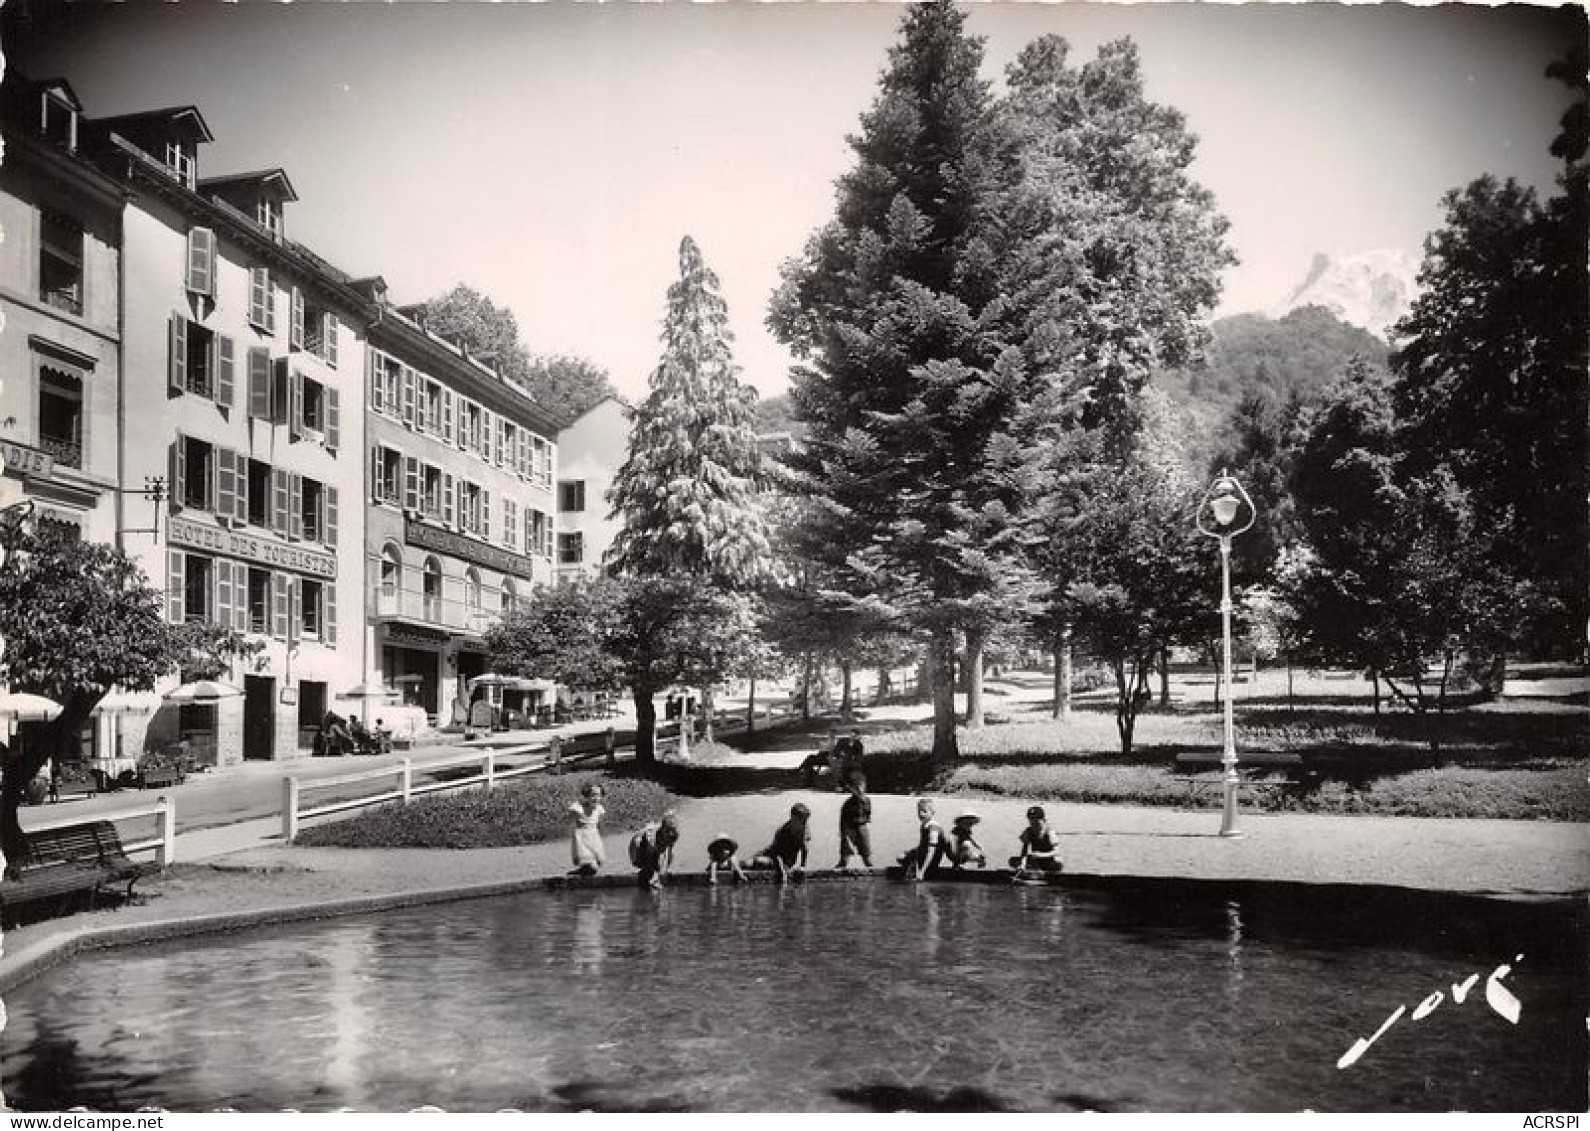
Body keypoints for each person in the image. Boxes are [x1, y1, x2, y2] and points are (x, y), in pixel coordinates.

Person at [750, 802, 811, 884]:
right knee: (749, 861)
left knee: (759, 861)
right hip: (773, 855)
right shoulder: (782, 831)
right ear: (793, 818)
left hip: (783, 861)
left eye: (805, 821)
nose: (804, 824)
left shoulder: (804, 830)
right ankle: (732, 864)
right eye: (802, 821)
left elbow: (805, 849)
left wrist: (802, 866)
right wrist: (782, 872)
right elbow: (776, 853)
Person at [898, 798, 947, 881]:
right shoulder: (925, 825)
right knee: (901, 857)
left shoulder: (933, 829)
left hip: (932, 857)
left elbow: (931, 852)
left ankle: (923, 871)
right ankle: (913, 870)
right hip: (924, 852)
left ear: (932, 812)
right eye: (919, 811)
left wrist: (922, 871)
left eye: (924, 811)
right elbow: (922, 845)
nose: (921, 814)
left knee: (918, 874)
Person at [628, 811, 681, 889]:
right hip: (636, 851)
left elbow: (668, 849)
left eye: (672, 830)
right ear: (662, 828)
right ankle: (645, 878)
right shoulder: (651, 836)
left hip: (653, 849)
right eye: (667, 830)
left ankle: (651, 877)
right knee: (650, 870)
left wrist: (664, 867)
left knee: (662, 866)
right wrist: (655, 875)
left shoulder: (674, 834)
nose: (670, 833)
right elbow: (651, 856)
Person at [1010, 805, 1063, 880]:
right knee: (1012, 860)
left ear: (1043, 819)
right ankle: (1033, 872)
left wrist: (1041, 855)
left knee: (1056, 863)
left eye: (1036, 819)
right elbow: (1024, 850)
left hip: (1051, 861)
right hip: (1037, 860)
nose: (1033, 822)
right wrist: (1022, 863)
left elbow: (1057, 852)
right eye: (1031, 819)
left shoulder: (1049, 832)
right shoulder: (1028, 831)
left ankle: (1041, 874)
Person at [567, 783, 606, 876]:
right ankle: (585, 870)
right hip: (582, 837)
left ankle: (585, 871)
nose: (596, 798)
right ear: (587, 796)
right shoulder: (579, 808)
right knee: (590, 863)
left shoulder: (599, 809)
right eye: (593, 795)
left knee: (597, 861)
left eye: (598, 795)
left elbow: (599, 823)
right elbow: (571, 815)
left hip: (594, 836)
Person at [838, 772, 873, 869]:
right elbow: (843, 818)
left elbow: (868, 813)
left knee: (866, 851)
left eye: (861, 787)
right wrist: (843, 832)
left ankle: (870, 868)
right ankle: (842, 865)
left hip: (862, 827)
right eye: (856, 788)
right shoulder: (848, 803)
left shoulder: (867, 800)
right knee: (846, 853)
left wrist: (866, 819)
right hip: (849, 827)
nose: (859, 790)